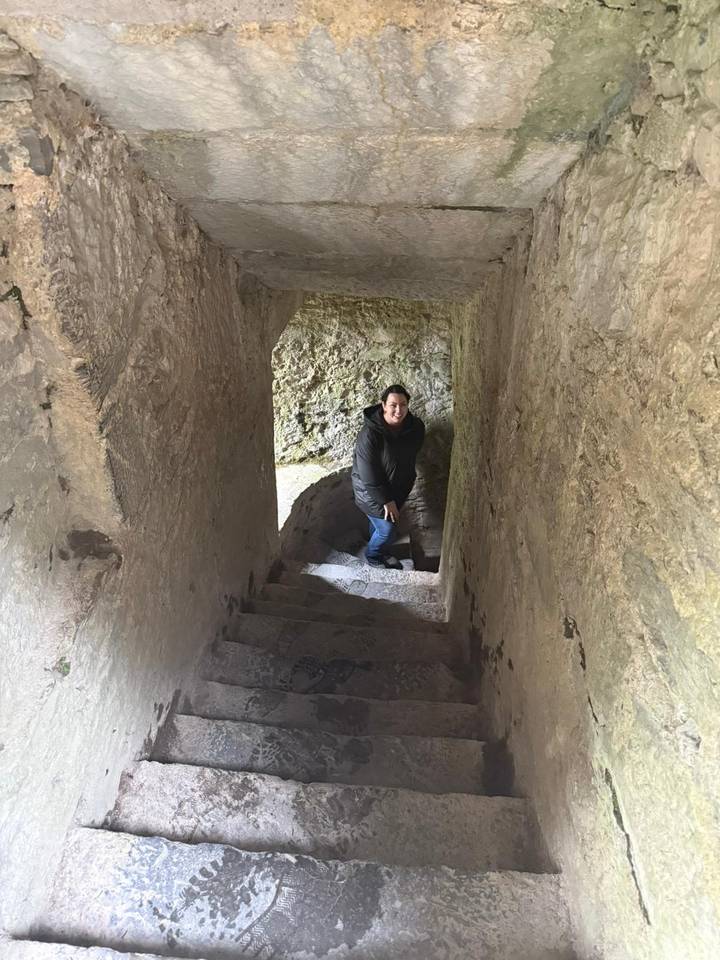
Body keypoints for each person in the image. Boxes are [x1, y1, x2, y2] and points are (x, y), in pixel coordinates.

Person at [351, 384, 425, 569]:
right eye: (393, 405)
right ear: (383, 405)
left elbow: (410, 455)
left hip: (396, 489)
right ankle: (373, 555)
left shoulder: (415, 428)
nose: (398, 410)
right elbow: (369, 473)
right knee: (388, 531)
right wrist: (386, 500)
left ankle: (374, 540)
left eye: (403, 404)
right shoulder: (369, 435)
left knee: (380, 526)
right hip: (370, 491)